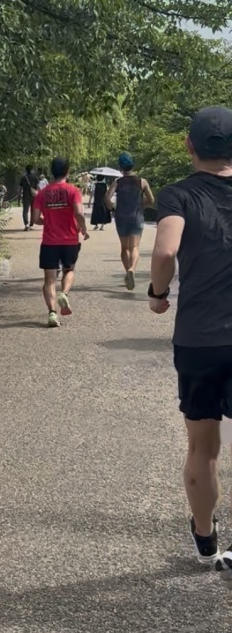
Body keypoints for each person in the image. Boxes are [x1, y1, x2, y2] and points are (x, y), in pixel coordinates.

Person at [149, 106, 232, 575]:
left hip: (200, 337)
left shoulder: (178, 195)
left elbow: (165, 251)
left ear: (189, 146)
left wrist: (158, 294)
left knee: (203, 446)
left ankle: (206, 538)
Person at [33, 157, 90, 328]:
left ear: (52, 171)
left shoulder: (42, 193)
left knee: (49, 280)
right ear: (67, 171)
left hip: (49, 241)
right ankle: (64, 293)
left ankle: (52, 313)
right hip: (70, 239)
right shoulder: (73, 191)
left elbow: (35, 218)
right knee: (69, 270)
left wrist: (47, 221)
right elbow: (79, 213)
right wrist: (83, 228)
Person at [106, 152, 154, 290]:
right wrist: (141, 206)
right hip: (137, 217)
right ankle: (132, 269)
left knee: (124, 248)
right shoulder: (142, 182)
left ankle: (128, 271)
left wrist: (113, 208)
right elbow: (151, 200)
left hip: (121, 217)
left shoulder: (117, 182)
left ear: (120, 167)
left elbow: (107, 199)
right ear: (133, 165)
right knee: (135, 247)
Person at [19, 164, 38, 230]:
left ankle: (26, 224)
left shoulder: (24, 177)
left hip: (26, 195)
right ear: (32, 170)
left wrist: (19, 194)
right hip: (33, 195)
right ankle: (31, 224)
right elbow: (37, 186)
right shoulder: (35, 177)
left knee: (25, 210)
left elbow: (20, 187)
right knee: (33, 210)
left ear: (26, 170)